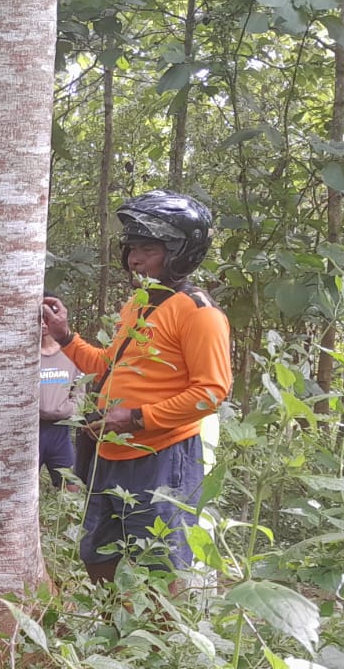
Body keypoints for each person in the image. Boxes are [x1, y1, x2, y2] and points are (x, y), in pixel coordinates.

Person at [40, 190, 232, 582]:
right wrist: (64, 337)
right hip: (110, 452)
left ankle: (155, 625)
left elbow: (212, 392)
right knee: (97, 554)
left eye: (149, 249)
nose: (135, 259)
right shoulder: (138, 304)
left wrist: (137, 418)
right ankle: (112, 619)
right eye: (132, 248)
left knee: (160, 563)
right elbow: (108, 367)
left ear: (180, 253)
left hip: (162, 456)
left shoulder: (199, 313)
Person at [38, 292, 81, 490]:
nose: (43, 323)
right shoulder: (24, 356)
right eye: (39, 317)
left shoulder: (70, 353)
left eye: (47, 317)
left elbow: (80, 392)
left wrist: (67, 410)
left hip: (60, 431)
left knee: (71, 488)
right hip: (32, 430)